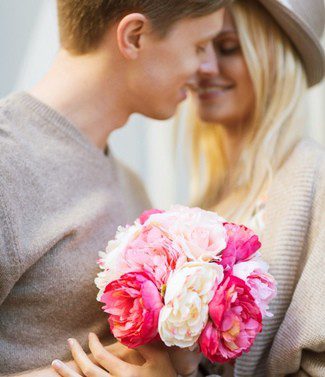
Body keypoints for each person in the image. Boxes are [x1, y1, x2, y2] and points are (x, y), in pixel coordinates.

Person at [0, 0, 229, 375]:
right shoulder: (7, 165)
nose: (208, 68)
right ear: (135, 37)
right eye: (200, 46)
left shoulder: (133, 188)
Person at [187, 0, 325, 376]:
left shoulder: (315, 177)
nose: (203, 67)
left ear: (274, 58)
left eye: (228, 47)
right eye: (198, 47)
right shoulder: (206, 198)